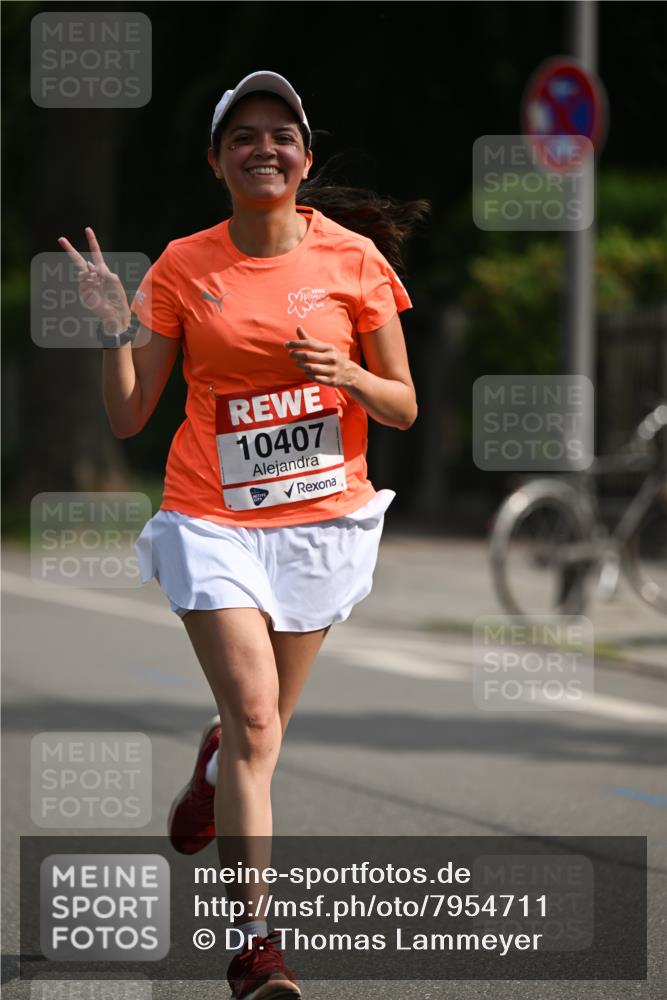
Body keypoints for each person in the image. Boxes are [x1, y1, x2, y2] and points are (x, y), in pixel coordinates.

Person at [59, 70, 427, 1000]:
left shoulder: (354, 262)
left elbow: (404, 406)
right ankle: (256, 946)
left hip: (321, 522)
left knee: (254, 740)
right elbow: (132, 418)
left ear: (304, 157)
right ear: (217, 161)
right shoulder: (184, 264)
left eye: (282, 134)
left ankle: (213, 770)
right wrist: (113, 333)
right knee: (258, 718)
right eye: (243, 136)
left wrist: (344, 371)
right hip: (212, 518)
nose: (264, 148)